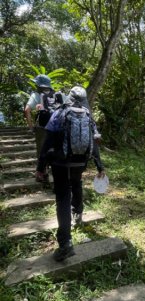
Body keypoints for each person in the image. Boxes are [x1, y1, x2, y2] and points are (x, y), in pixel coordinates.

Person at [37, 86, 105, 261]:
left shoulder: (60, 113)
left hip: (60, 163)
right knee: (77, 184)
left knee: (62, 198)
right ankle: (79, 215)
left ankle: (65, 243)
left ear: (69, 97)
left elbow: (47, 142)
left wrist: (40, 167)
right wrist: (99, 166)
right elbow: (95, 143)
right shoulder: (88, 116)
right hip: (80, 162)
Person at [24, 74, 64, 182]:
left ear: (38, 84)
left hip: (42, 128)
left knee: (42, 150)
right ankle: (56, 173)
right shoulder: (57, 94)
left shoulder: (36, 95)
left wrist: (31, 127)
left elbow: (27, 109)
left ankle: (42, 173)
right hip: (58, 128)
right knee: (56, 149)